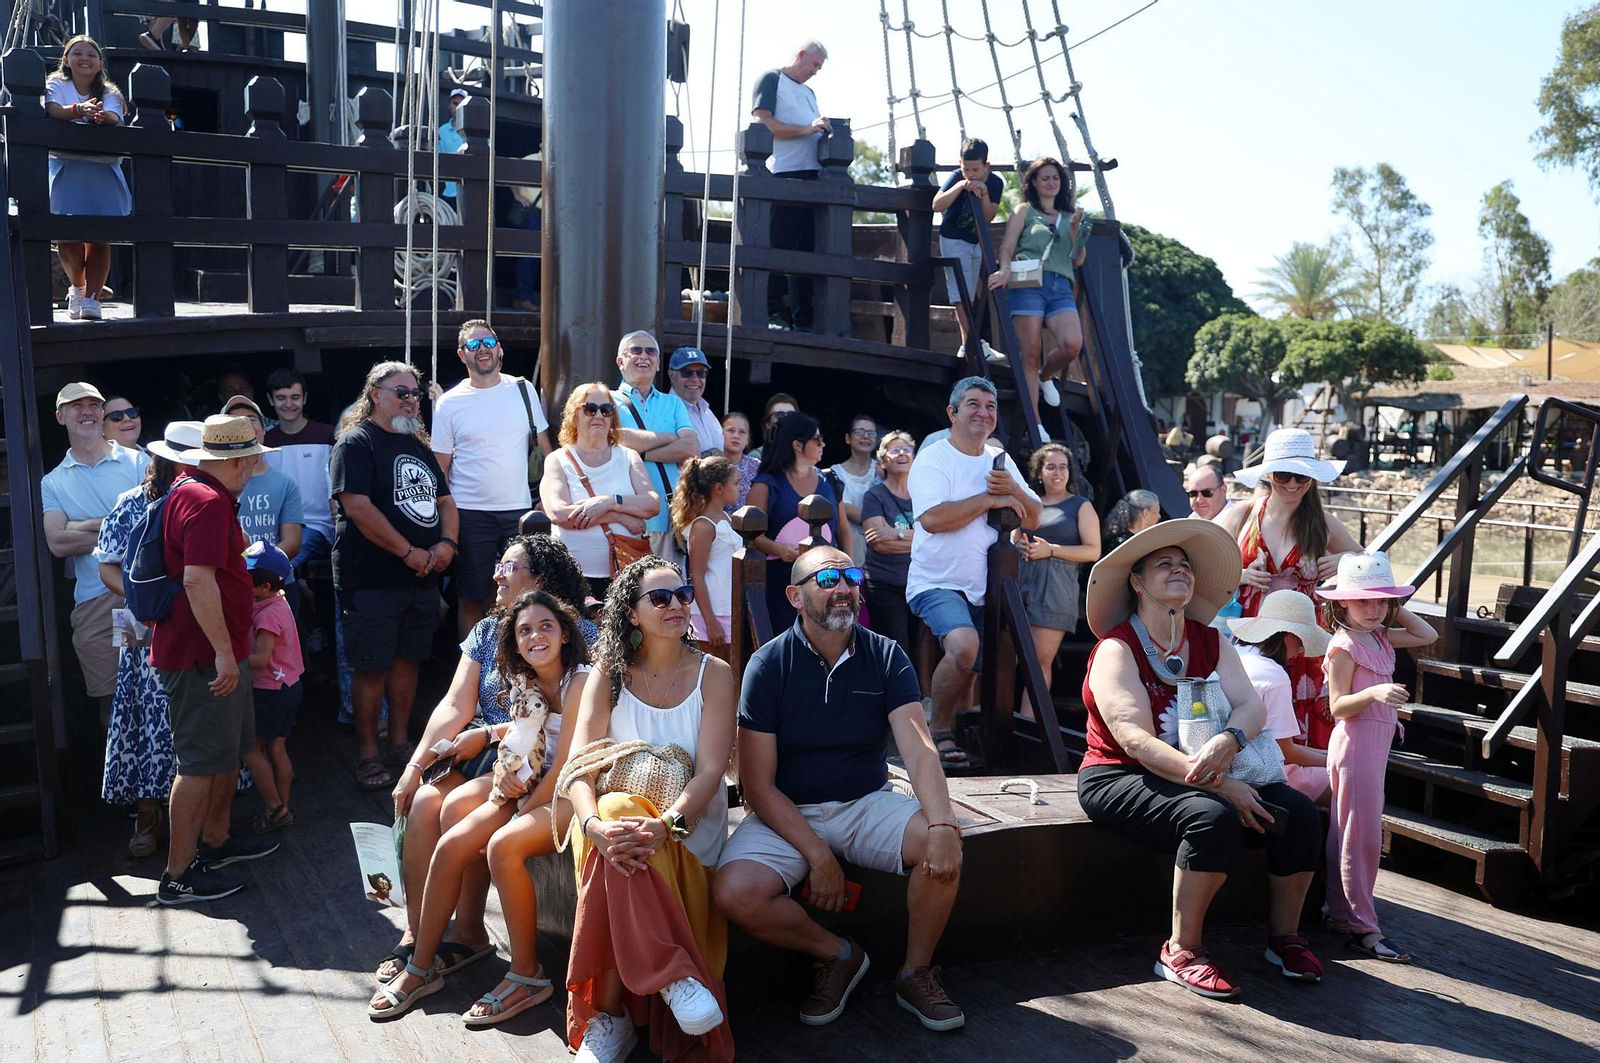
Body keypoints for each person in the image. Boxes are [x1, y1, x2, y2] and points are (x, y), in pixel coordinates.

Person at [714, 546, 966, 1032]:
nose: (844, 588)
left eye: (851, 577)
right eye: (827, 579)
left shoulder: (886, 655)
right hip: (786, 812)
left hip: (864, 802)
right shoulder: (768, 665)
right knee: (735, 893)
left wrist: (940, 822)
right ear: (794, 596)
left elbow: (918, 749)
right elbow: (758, 787)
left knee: (943, 845)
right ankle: (839, 955)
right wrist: (818, 855)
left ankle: (915, 974)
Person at [1079, 518, 1324, 997]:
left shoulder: (1210, 639)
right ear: (1137, 581)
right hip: (1119, 775)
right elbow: (1132, 738)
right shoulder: (1116, 648)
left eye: (1186, 566)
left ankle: (1285, 938)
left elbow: (1250, 704)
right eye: (1164, 565)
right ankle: (1180, 950)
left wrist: (1229, 740)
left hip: (1211, 764)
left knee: (1297, 812)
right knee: (1211, 818)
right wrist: (1220, 783)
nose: (1180, 572)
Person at [378, 534, 597, 986]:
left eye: (510, 567)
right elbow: (454, 705)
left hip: (537, 758)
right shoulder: (485, 631)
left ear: (539, 578)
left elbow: (580, 712)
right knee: (420, 802)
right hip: (489, 751)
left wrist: (492, 740)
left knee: (454, 810)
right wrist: (413, 766)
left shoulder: (577, 632)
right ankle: (419, 934)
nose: (497, 574)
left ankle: (467, 933)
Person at [561, 558, 736, 1063]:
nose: (678, 604)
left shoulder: (715, 674)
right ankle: (671, 974)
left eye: (682, 594)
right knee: (615, 810)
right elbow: (578, 768)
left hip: (685, 831)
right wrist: (592, 825)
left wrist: (665, 826)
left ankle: (611, 1018)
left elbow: (709, 773)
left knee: (622, 840)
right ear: (633, 615)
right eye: (660, 598)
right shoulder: (609, 675)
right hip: (604, 831)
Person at [153, 416, 283, 905]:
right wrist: (227, 656)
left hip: (212, 653)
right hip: (204, 658)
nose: (255, 466)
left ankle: (216, 841)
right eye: (252, 457)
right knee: (200, 763)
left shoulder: (194, 490)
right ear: (240, 460)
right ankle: (179, 875)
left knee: (224, 752)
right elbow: (196, 581)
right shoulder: (206, 501)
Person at [330, 361, 459, 791]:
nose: (410, 399)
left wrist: (446, 546)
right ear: (374, 394)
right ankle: (368, 753)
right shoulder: (355, 443)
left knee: (409, 661)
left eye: (414, 393)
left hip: (421, 576)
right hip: (372, 579)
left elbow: (445, 502)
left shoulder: (418, 445)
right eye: (400, 391)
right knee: (372, 668)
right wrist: (408, 552)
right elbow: (358, 507)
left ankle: (401, 743)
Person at [907, 376, 1041, 768]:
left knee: (991, 664)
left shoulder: (999, 461)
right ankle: (938, 729)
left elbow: (1036, 517)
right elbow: (932, 519)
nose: (984, 412)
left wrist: (1013, 490)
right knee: (964, 646)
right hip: (937, 581)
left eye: (991, 406)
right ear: (952, 412)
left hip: (989, 584)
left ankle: (973, 733)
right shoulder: (934, 458)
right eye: (973, 404)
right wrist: (989, 498)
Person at [1317, 552, 1436, 963]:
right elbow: (1337, 706)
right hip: (1355, 746)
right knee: (1361, 839)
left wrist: (1394, 604)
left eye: (1382, 600)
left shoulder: (1380, 636)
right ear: (1342, 602)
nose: (1375, 608)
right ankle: (1365, 929)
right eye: (1364, 599)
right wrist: (1373, 694)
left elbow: (1426, 634)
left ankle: (1339, 914)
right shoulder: (1344, 645)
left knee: (1345, 832)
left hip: (1374, 746)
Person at [1217, 427, 1363, 750]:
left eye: (1302, 477)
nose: (1293, 485)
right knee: (1250, 702)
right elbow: (1205, 566)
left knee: (1302, 707)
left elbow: (1368, 563)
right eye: (1284, 475)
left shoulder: (1322, 523)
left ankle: (1305, 788)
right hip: (1253, 629)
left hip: (1303, 634)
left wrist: (1341, 562)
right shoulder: (1242, 515)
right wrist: (1240, 575)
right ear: (1269, 473)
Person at [95, 420, 200, 857]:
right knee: (144, 719)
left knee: (194, 716)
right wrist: (149, 601)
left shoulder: (209, 502)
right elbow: (107, 566)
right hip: (144, 628)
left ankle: (197, 821)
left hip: (197, 626)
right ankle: (147, 814)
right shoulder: (130, 502)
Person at [432, 319, 554, 638]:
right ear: (462, 355)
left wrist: (546, 497)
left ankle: (516, 668)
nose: (482, 349)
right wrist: (446, 521)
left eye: (487, 342)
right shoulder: (449, 403)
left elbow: (546, 450)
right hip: (470, 514)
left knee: (524, 594)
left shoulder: (523, 390)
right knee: (472, 596)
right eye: (473, 345)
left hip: (520, 511)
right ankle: (473, 670)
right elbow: (439, 468)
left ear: (499, 349)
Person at [42, 382, 149, 729]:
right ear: (60, 416)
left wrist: (79, 526)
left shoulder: (138, 461)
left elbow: (148, 529)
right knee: (112, 702)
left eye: (93, 404)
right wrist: (115, 525)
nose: (86, 411)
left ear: (102, 414)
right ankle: (121, 783)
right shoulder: (52, 481)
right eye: (76, 406)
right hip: (93, 602)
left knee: (152, 694)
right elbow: (57, 544)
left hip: (139, 595)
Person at [986, 156, 1086, 420]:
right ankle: (1036, 422)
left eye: (1055, 178)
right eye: (1045, 178)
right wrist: (1004, 269)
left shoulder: (1069, 215)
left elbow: (1078, 258)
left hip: (1061, 284)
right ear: (1034, 182)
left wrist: (1075, 229)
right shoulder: (1024, 211)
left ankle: (1046, 375)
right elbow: (1007, 247)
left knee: (1072, 344)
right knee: (1030, 353)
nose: (1051, 182)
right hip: (1028, 283)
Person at [541, 382, 659, 602]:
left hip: (625, 575)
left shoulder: (628, 456)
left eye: (606, 410)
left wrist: (609, 502)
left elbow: (652, 504)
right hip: (572, 577)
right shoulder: (557, 460)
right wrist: (618, 515)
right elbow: (559, 513)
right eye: (589, 409)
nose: (598, 415)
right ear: (574, 416)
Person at [1012, 443, 1101, 720]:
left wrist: (1051, 550)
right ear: (1039, 472)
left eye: (1063, 467)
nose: (1057, 472)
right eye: (1051, 466)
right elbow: (1014, 537)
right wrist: (1019, 546)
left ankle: (1028, 724)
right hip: (1021, 583)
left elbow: (1093, 551)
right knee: (1006, 658)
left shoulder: (1080, 505)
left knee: (1038, 662)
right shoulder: (1029, 503)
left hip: (1056, 587)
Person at [746, 412, 854, 635]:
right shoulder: (766, 484)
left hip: (829, 578)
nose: (823, 444)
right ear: (797, 444)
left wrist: (849, 574)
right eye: (817, 439)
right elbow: (751, 534)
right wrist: (779, 549)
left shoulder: (831, 480)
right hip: (782, 582)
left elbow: (843, 529)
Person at [44, 36, 127, 322]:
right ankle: (78, 289)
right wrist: (79, 110)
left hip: (100, 170)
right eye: (76, 53)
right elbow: (52, 109)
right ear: (66, 60)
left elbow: (116, 116)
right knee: (67, 237)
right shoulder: (56, 84)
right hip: (67, 168)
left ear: (100, 63)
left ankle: (92, 299)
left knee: (99, 237)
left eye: (91, 54)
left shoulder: (110, 91)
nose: (84, 58)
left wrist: (102, 117)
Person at [751, 40, 830, 331]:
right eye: (814, 64)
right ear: (800, 55)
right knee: (777, 247)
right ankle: (771, 314)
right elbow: (763, 124)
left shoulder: (809, 92)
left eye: (819, 67)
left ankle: (804, 321)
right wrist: (807, 129)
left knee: (806, 253)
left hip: (812, 176)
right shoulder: (772, 79)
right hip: (783, 174)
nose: (815, 71)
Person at [1226, 590, 1332, 804]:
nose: (1302, 650)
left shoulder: (1235, 653)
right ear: (1288, 635)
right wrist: (1333, 760)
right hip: (1262, 773)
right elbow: (1284, 752)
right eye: (1302, 641)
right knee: (1356, 786)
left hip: (1229, 764)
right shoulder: (1274, 675)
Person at [612, 331, 698, 565]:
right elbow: (613, 437)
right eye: (635, 350)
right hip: (625, 522)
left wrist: (641, 452)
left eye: (650, 351)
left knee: (669, 592)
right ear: (620, 361)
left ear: (658, 363)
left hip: (670, 521)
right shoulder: (607, 401)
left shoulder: (673, 402)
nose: (644, 356)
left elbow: (691, 447)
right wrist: (668, 438)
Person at [241, 542, 303, 834]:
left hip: (270, 690)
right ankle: (282, 808)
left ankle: (275, 808)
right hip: (290, 687)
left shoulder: (266, 615)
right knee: (277, 747)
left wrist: (227, 660)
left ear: (264, 586)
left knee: (251, 749)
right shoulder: (279, 599)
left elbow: (262, 658)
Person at [860, 431, 928, 696]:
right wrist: (921, 537)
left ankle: (922, 701)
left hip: (922, 582)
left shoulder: (925, 495)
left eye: (907, 450)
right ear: (883, 462)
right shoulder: (874, 496)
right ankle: (900, 705)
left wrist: (896, 533)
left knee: (923, 647)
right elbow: (879, 543)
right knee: (897, 647)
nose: (902, 454)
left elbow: (940, 537)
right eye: (894, 450)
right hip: (885, 583)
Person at [262, 368, 338, 575]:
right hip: (272, 528)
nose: (288, 404)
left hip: (317, 526)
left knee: (274, 567)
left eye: (295, 397)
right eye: (281, 398)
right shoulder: (265, 442)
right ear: (270, 400)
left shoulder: (328, 435)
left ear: (305, 398)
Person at [930, 138, 1003, 347]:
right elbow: (936, 205)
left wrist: (984, 191)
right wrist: (961, 186)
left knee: (973, 292)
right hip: (953, 238)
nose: (970, 174)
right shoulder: (957, 177)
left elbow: (988, 216)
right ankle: (971, 343)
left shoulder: (996, 182)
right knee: (960, 292)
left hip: (975, 240)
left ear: (986, 166)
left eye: (975, 170)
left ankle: (973, 342)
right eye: (966, 169)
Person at [672, 456, 742, 660]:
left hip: (731, 607)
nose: (739, 488)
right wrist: (710, 621)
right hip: (714, 612)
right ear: (719, 488)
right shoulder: (703, 526)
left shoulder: (727, 519)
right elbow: (697, 576)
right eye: (735, 483)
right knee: (714, 668)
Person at [223, 394, 304, 560]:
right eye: (235, 421)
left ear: (264, 428)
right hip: (231, 579)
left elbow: (292, 542)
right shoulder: (217, 485)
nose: (244, 425)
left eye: (250, 419)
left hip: (275, 579)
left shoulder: (286, 483)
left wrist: (255, 564)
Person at [827, 414, 881, 569]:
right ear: (848, 438)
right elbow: (844, 508)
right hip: (851, 546)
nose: (866, 436)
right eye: (860, 432)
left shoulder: (884, 469)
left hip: (881, 548)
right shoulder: (834, 472)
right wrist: (877, 522)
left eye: (871, 433)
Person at [668, 347, 724, 456]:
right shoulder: (664, 411)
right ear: (671, 375)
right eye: (687, 372)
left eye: (701, 373)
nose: (694, 379)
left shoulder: (708, 413)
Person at [721, 411, 759, 512]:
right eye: (730, 430)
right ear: (720, 433)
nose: (736, 436)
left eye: (742, 432)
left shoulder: (757, 467)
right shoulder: (712, 467)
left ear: (747, 439)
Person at [749, 393, 799, 464]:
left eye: (791, 415)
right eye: (779, 414)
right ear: (768, 424)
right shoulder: (756, 456)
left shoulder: (803, 454)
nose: (786, 419)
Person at [438, 88, 468, 202]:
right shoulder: (441, 131)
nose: (457, 107)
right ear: (449, 106)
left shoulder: (478, 130)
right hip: (450, 193)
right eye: (455, 103)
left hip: (471, 192)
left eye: (461, 104)